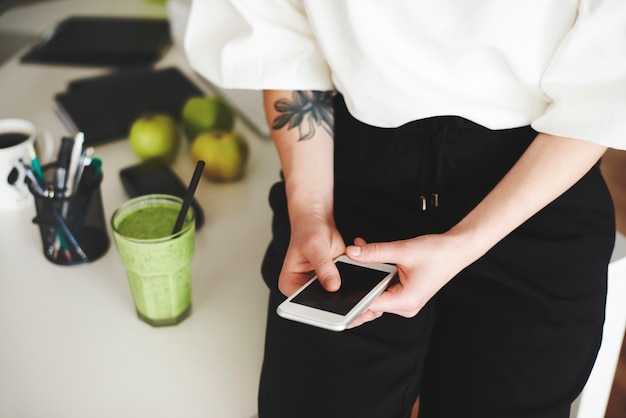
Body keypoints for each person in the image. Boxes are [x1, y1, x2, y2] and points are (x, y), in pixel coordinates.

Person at [185, 1, 626, 417]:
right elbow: (281, 36)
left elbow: (605, 82)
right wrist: (310, 210)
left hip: (533, 183)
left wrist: (463, 243)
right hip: (348, 166)